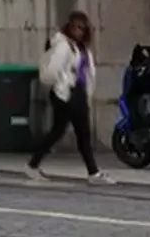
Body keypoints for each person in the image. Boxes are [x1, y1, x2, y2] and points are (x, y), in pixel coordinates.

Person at [27, 11, 115, 185]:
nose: (79, 31)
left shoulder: (81, 48)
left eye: (83, 28)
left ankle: (34, 164)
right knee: (68, 132)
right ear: (69, 27)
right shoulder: (63, 46)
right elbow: (52, 70)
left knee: (74, 132)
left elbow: (87, 72)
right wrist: (63, 83)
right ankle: (92, 172)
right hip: (67, 93)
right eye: (76, 27)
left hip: (78, 92)